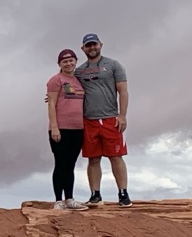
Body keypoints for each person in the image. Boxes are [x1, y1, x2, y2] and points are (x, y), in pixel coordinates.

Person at [73, 34, 131, 205]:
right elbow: (67, 86)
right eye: (88, 45)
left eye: (94, 44)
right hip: (89, 120)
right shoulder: (79, 71)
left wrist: (122, 115)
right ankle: (95, 195)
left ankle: (123, 194)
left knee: (116, 156)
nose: (92, 48)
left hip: (110, 118)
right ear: (83, 48)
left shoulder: (113, 65)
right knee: (93, 158)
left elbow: (123, 91)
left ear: (100, 45)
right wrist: (53, 94)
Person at [46, 49, 88, 209]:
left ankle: (69, 199)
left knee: (71, 165)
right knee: (60, 164)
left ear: (75, 61)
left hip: (78, 128)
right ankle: (58, 200)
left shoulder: (78, 80)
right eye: (65, 61)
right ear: (59, 64)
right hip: (61, 128)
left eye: (71, 60)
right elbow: (51, 103)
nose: (68, 64)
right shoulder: (56, 80)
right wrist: (54, 127)